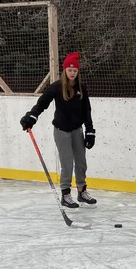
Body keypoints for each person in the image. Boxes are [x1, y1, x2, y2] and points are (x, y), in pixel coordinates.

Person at [20, 51, 97, 208]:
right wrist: (31, 117)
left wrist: (90, 131)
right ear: (65, 70)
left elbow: (87, 111)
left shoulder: (82, 88)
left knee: (81, 162)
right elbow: (42, 104)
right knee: (67, 163)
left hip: (77, 130)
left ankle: (82, 192)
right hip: (61, 130)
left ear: (77, 71)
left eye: (75, 70)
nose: (72, 73)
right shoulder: (56, 87)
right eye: (69, 70)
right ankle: (66, 194)